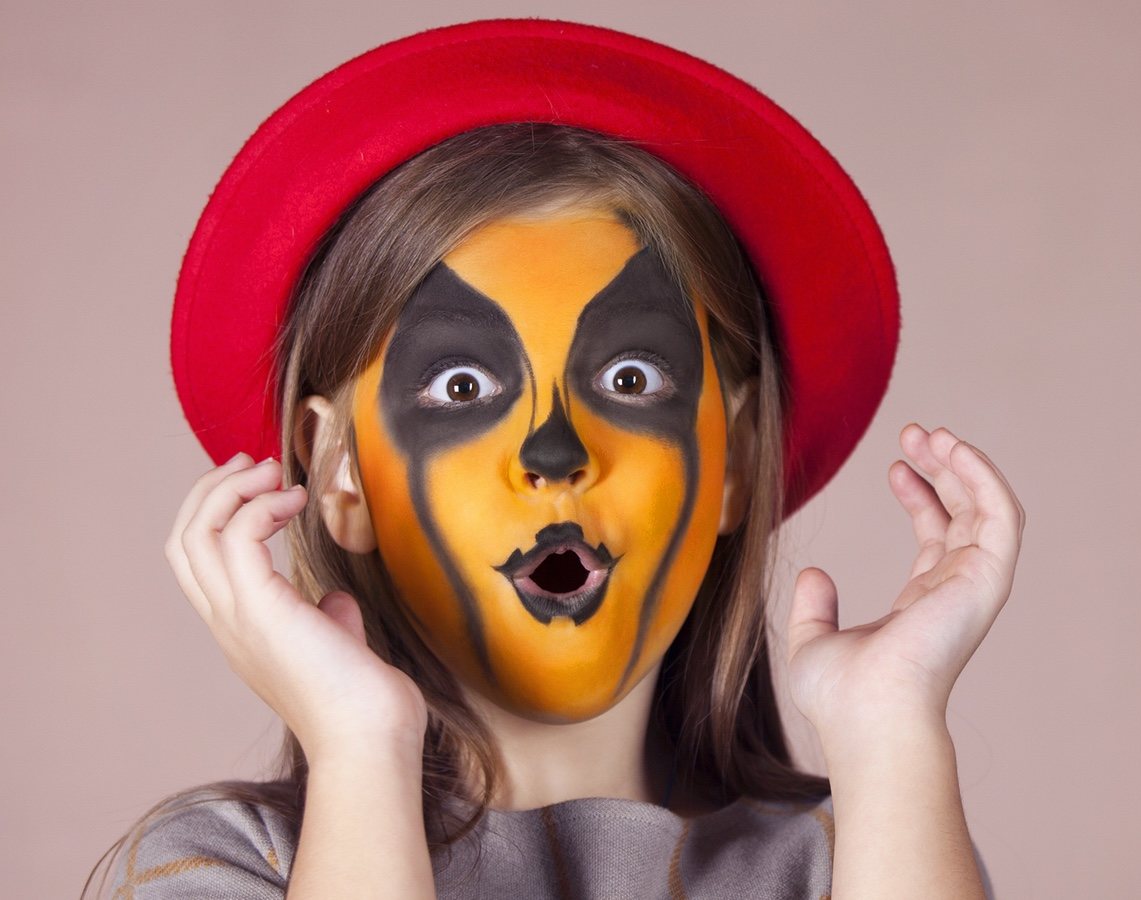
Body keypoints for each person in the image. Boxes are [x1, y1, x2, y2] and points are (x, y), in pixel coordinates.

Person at [85, 19, 1023, 900]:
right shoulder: (225, 868)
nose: (555, 453)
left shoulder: (861, 854)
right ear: (340, 472)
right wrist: (361, 747)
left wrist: (892, 733)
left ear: (734, 458)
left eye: (627, 377)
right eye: (460, 389)